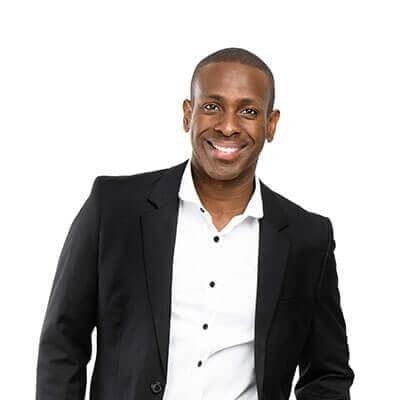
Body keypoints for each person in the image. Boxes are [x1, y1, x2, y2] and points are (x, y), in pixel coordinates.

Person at [35, 47, 355, 400]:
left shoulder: (307, 238)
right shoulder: (114, 208)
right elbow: (63, 340)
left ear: (271, 124)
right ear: (188, 114)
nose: (228, 126)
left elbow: (327, 374)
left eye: (248, 111)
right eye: (212, 106)